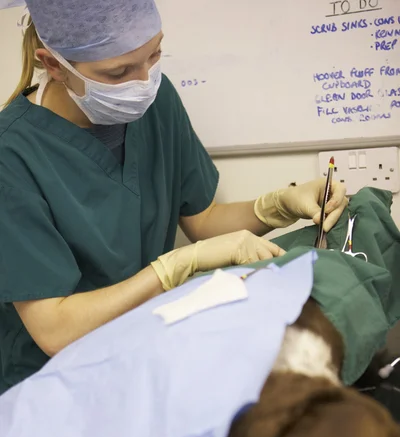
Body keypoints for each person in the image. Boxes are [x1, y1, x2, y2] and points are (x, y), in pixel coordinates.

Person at [0, 0, 348, 393]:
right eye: (118, 72)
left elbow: (202, 219)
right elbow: (55, 330)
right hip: (51, 384)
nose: (144, 81)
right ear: (53, 65)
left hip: (143, 351)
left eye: (155, 54)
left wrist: (277, 206)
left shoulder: (156, 100)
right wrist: (174, 267)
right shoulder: (11, 156)